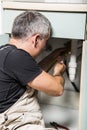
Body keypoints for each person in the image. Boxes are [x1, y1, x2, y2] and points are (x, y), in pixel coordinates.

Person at [0, 11, 66, 130]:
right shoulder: (17, 57)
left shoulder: (6, 52)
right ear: (36, 39)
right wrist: (58, 72)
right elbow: (58, 89)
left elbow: (30, 74)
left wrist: (52, 56)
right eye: (45, 42)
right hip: (14, 124)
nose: (44, 47)